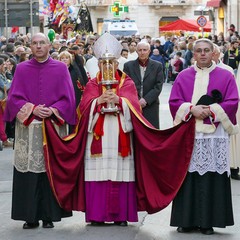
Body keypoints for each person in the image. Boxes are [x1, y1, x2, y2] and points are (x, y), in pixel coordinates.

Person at [42, 33, 196, 227]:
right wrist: (98, 101)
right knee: (97, 174)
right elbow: (83, 108)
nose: (107, 68)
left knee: (121, 173)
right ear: (99, 65)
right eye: (103, 64)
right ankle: (97, 215)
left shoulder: (127, 83)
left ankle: (120, 215)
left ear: (116, 64)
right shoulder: (92, 83)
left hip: (120, 134)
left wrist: (120, 101)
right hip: (97, 135)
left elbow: (135, 107)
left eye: (111, 64)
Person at [4, 32, 76, 229]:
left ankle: (49, 216)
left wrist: (53, 110)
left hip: (52, 126)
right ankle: (30, 216)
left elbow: (68, 99)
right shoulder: (21, 68)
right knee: (29, 172)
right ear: (30, 46)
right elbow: (13, 99)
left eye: (42, 43)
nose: (38, 46)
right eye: (34, 43)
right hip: (28, 128)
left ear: (49, 45)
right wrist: (33, 108)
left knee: (49, 171)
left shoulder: (61, 68)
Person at [169, 38, 239, 235]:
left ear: (213, 53)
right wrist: (192, 109)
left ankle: (209, 221)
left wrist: (211, 110)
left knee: (212, 176)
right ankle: (186, 220)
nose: (202, 54)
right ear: (194, 54)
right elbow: (174, 101)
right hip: (189, 133)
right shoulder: (183, 76)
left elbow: (233, 101)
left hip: (214, 134)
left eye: (206, 50)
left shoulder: (226, 76)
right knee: (187, 175)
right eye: (198, 50)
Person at [123, 41, 164, 128]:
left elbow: (158, 86)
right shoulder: (128, 66)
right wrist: (136, 100)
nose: (142, 52)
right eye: (140, 50)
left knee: (151, 132)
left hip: (151, 104)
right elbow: (126, 85)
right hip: (133, 105)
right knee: (135, 132)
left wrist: (145, 100)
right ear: (136, 51)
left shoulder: (157, 66)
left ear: (149, 51)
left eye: (145, 50)